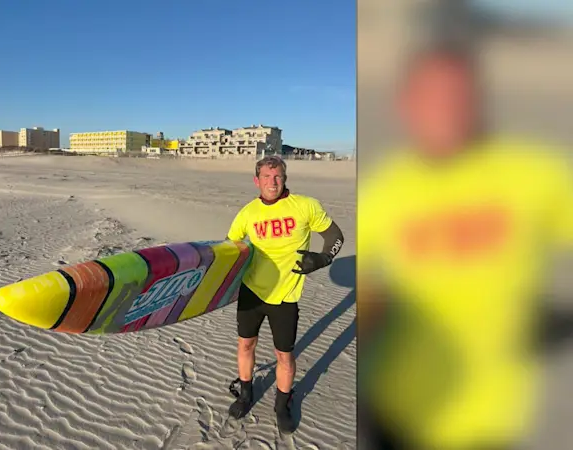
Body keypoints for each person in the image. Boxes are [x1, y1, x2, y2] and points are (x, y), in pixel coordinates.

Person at [358, 42, 573, 449]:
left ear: (480, 99)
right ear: (407, 105)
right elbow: (367, 288)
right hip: (395, 403)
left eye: (458, 96)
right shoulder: (386, 187)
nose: (445, 110)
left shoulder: (533, 173)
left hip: (488, 417)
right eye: (431, 97)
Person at [225, 155, 345, 434]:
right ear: (257, 180)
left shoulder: (305, 206)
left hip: (286, 298)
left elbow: (336, 236)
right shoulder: (247, 213)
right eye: (266, 177)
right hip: (252, 293)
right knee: (245, 346)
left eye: (277, 176)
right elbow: (231, 246)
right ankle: (245, 394)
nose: (272, 182)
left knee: (284, 356)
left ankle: (281, 405)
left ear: (285, 178)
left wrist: (324, 259)